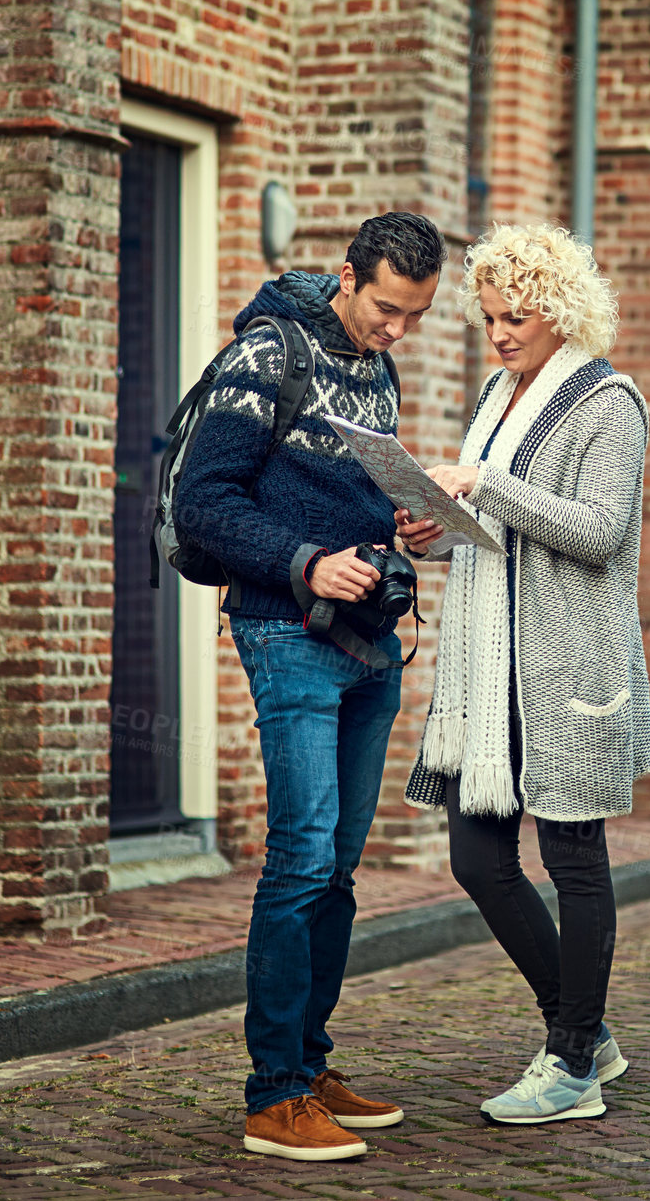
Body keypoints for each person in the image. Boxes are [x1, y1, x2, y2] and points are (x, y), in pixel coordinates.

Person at [175, 210, 446, 1162]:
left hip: (367, 642)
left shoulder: (380, 368)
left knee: (336, 868)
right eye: (385, 309)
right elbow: (202, 503)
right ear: (346, 275)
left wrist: (404, 526)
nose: (396, 331)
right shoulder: (267, 353)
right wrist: (305, 560)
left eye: (414, 315)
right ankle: (273, 1091)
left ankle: (310, 1057)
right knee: (298, 858)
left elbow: (349, 494)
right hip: (285, 629)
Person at [397, 221, 650, 1125]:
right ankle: (582, 1027)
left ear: (562, 311)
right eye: (492, 316)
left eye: (519, 317)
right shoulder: (495, 394)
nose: (501, 332)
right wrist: (435, 527)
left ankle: (573, 1061)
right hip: (491, 667)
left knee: (574, 859)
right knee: (478, 859)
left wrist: (483, 485)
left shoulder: (608, 403)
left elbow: (599, 531)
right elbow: (496, 534)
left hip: (567, 665)